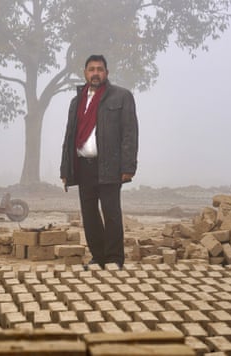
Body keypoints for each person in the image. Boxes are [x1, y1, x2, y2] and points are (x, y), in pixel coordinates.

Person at [60, 54, 138, 269]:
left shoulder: (121, 97)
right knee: (89, 214)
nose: (95, 73)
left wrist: (128, 166)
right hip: (83, 166)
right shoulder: (77, 101)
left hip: (110, 165)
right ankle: (98, 256)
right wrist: (65, 169)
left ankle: (114, 258)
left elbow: (130, 134)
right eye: (91, 69)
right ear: (85, 73)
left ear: (107, 73)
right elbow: (69, 136)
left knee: (111, 212)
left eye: (100, 69)